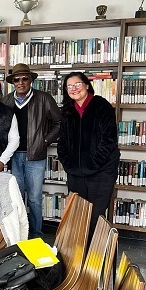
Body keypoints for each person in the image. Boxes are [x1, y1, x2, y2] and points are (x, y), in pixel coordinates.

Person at [57, 71, 120, 238]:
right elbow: (62, 140)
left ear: (86, 85)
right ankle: (79, 253)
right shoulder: (68, 110)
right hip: (76, 173)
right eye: (70, 86)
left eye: (77, 84)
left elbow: (108, 140)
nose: (74, 89)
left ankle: (98, 254)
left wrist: (93, 164)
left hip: (101, 172)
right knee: (78, 217)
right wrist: (67, 162)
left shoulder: (101, 106)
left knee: (95, 218)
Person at [3, 63, 61, 239]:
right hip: (13, 156)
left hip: (36, 156)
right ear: (13, 82)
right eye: (17, 79)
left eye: (24, 79)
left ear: (31, 81)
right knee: (17, 198)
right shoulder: (6, 101)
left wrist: (45, 141)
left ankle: (36, 234)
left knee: (35, 198)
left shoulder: (44, 98)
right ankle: (19, 234)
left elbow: (59, 123)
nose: (21, 82)